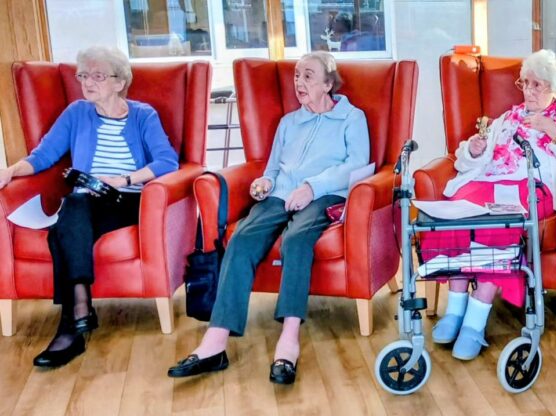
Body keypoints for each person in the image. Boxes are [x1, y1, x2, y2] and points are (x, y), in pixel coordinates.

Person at [168, 51, 370, 384]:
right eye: (296, 76)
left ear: (328, 84)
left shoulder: (352, 118)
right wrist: (266, 182)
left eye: (308, 76)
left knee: (296, 239)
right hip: (280, 194)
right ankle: (215, 342)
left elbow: (358, 163)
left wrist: (311, 186)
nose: (298, 82)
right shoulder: (289, 122)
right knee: (242, 238)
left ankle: (288, 340)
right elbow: (273, 167)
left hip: (324, 195)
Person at [0, 46, 179, 368]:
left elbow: (167, 161)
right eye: (83, 75)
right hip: (86, 201)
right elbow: (43, 156)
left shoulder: (143, 115)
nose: (87, 82)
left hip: (129, 198)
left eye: (97, 76)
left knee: (63, 227)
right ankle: (78, 312)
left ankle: (72, 325)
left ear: (119, 81)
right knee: (73, 210)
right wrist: (10, 171)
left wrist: (122, 179)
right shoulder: (76, 113)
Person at [425, 49, 556, 361]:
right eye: (525, 83)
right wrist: (474, 150)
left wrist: (551, 130)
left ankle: (475, 321)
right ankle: (455, 309)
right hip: (489, 181)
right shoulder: (507, 118)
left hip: (530, 187)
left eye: (538, 85)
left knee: (496, 224)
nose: (528, 91)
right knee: (458, 212)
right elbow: (468, 160)